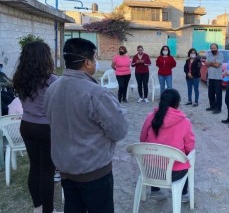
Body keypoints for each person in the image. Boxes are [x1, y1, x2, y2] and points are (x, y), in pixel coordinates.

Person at [44, 38, 128, 213]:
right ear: (87, 62)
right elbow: (119, 131)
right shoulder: (97, 94)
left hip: (66, 169)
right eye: (95, 59)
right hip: (94, 172)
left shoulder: (52, 89)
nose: (95, 63)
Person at [12, 41, 60, 213]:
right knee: (47, 171)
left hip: (26, 126)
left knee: (34, 167)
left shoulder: (19, 78)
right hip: (45, 128)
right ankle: (48, 210)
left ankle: (38, 207)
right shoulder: (53, 80)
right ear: (44, 58)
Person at [140, 88, 195, 202]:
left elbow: (142, 139)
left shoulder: (151, 117)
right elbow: (190, 147)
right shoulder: (184, 122)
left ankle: (155, 191)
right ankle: (183, 194)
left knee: (154, 158)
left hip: (151, 171)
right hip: (175, 173)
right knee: (186, 160)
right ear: (177, 103)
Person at [205, 43, 224, 114]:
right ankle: (212, 106)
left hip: (218, 78)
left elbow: (217, 65)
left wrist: (210, 63)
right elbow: (206, 63)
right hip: (210, 77)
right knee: (211, 93)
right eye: (212, 48)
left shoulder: (221, 55)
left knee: (218, 94)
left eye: (214, 48)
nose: (213, 49)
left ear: (217, 48)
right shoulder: (209, 55)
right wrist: (212, 63)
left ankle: (218, 108)